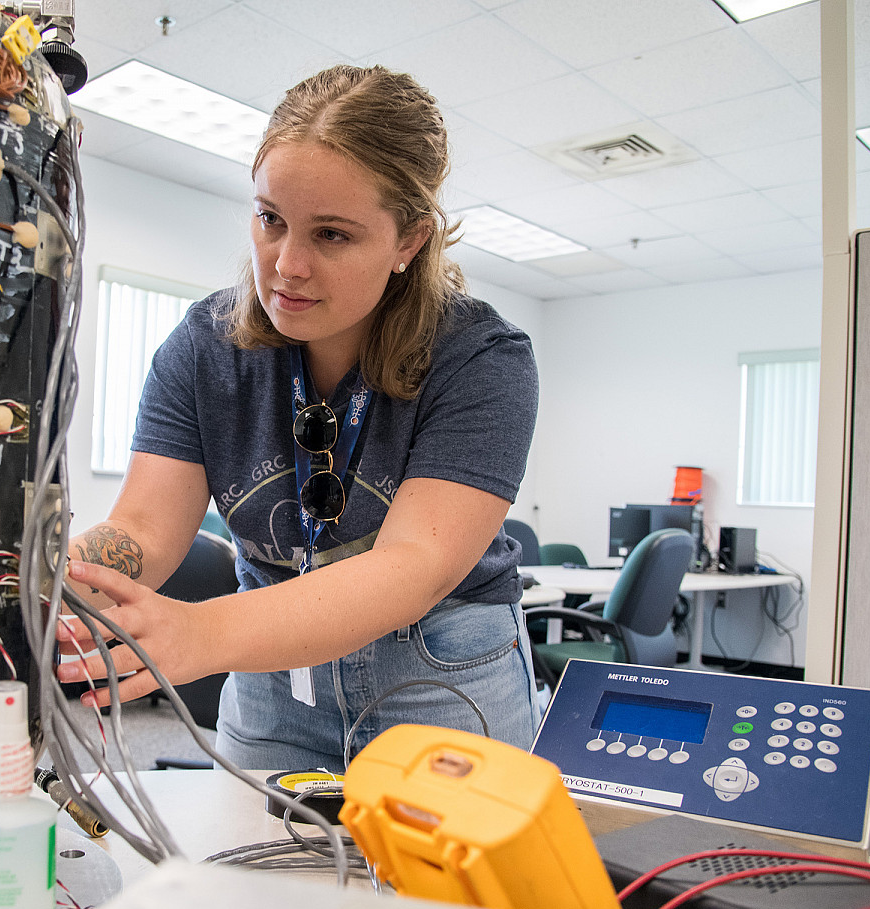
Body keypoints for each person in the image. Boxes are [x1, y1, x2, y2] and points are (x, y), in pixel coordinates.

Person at [58, 64, 540, 772]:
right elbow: (144, 531)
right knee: (252, 844)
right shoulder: (204, 349)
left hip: (441, 674)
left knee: (448, 853)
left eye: (332, 235)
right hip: (273, 674)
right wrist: (50, 579)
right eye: (270, 219)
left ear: (409, 241)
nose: (287, 264)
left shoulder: (480, 359)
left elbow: (413, 569)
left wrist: (200, 632)